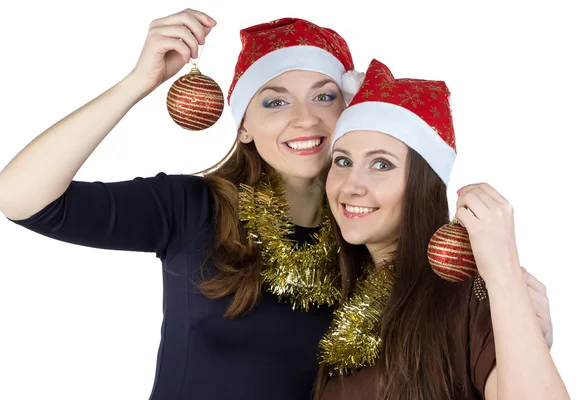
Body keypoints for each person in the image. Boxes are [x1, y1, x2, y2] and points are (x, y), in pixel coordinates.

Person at [0, 10, 359, 400]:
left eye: (324, 96)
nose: (305, 119)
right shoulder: (194, 208)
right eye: (275, 102)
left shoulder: (373, 233)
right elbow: (21, 198)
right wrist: (138, 83)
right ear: (244, 128)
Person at [315, 59, 569, 399]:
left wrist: (506, 277)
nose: (351, 185)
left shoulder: (466, 292)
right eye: (343, 161)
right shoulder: (330, 297)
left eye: (381, 164)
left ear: (424, 183)